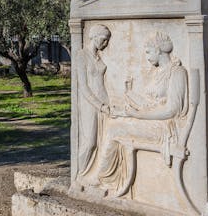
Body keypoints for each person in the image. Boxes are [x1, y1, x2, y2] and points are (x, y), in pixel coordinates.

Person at [91, 32, 188, 195]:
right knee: (115, 122)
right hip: (152, 121)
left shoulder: (177, 72)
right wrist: (129, 100)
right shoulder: (159, 72)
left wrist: (138, 115)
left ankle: (103, 179)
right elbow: (150, 105)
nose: (147, 56)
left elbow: (172, 110)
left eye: (148, 52)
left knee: (115, 129)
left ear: (158, 51)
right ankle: (107, 179)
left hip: (164, 129)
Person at [76, 24, 112, 179]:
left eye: (107, 41)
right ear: (95, 36)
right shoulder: (81, 55)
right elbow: (83, 87)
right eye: (104, 40)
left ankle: (94, 175)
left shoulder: (98, 56)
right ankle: (81, 175)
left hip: (104, 103)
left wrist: (108, 104)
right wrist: (100, 105)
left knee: (102, 142)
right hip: (90, 105)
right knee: (89, 142)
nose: (106, 44)